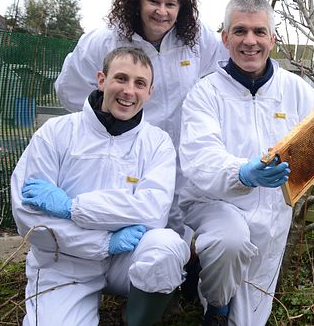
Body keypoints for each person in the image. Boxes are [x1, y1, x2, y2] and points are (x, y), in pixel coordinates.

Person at [178, 0, 314, 325]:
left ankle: (221, 298)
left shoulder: (297, 92)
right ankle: (215, 304)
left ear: (272, 39)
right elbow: (200, 158)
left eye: (258, 32)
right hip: (216, 205)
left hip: (272, 217)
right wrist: (242, 173)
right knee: (230, 243)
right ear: (225, 38)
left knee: (250, 318)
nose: (249, 41)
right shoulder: (205, 93)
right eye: (239, 31)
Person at [11, 47, 189, 326]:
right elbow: (30, 220)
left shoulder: (157, 142)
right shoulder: (56, 133)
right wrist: (103, 242)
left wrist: (72, 207)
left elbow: (153, 212)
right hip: (65, 261)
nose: (129, 91)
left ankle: (137, 320)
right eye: (121, 78)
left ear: (150, 91)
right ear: (101, 79)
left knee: (166, 247)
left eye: (139, 83)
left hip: (124, 258)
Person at [54, 0, 228, 239]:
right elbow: (69, 89)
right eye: (154, 2)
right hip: (128, 154)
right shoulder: (106, 40)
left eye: (170, 4)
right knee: (134, 226)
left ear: (181, 8)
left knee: (180, 233)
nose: (162, 12)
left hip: (183, 155)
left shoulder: (197, 40)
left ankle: (180, 278)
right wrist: (108, 128)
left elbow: (226, 71)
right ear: (137, 2)